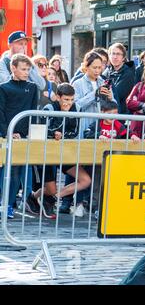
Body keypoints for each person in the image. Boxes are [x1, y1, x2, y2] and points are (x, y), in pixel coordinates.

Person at [25, 83, 91, 219]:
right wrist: (56, 130)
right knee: (50, 188)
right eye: (66, 99)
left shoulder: (77, 108)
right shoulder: (49, 108)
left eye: (72, 99)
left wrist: (62, 132)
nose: (69, 103)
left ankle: (52, 199)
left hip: (64, 152)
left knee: (85, 180)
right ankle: (33, 197)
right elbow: (42, 130)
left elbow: (74, 132)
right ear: (58, 97)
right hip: (46, 153)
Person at [0, 54, 38, 219]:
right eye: (23, 69)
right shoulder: (3, 87)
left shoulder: (32, 87)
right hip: (5, 135)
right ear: (13, 68)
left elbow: (33, 111)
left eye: (28, 69)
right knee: (5, 171)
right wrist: (7, 132)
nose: (26, 72)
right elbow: (0, 112)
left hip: (23, 137)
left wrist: (33, 132)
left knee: (17, 171)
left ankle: (8, 205)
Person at [73, 51, 115, 134]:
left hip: (102, 128)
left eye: (99, 67)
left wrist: (111, 99)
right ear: (86, 67)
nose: (97, 71)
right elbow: (75, 106)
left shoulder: (103, 82)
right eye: (94, 67)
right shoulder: (77, 83)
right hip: (85, 126)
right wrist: (94, 94)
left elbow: (113, 107)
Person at [103, 43, 135, 114]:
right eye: (113, 53)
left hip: (121, 113)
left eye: (118, 54)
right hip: (107, 112)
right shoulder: (107, 71)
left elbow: (117, 94)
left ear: (123, 58)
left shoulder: (128, 73)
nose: (115, 57)